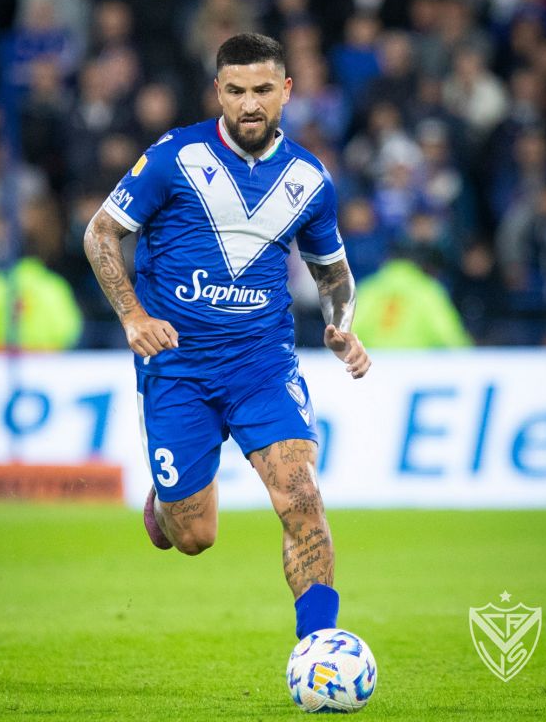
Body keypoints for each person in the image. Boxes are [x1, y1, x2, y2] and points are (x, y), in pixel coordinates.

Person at [84, 32, 370, 641]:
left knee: (301, 498)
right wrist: (133, 316)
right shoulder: (174, 157)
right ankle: (167, 505)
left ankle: (319, 646)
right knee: (194, 536)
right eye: (236, 90)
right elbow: (101, 233)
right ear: (218, 91)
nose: (249, 103)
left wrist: (343, 328)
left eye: (262, 89)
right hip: (177, 365)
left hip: (262, 365)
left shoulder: (309, 179)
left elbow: (333, 273)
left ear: (286, 91)